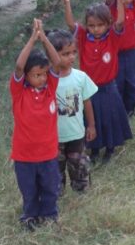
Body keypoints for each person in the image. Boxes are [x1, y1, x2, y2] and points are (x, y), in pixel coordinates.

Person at [57, 0, 132, 163]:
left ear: (107, 24)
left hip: (108, 87)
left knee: (109, 118)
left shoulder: (112, 37)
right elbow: (70, 24)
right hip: (88, 89)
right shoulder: (83, 37)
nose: (96, 29)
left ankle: (110, 148)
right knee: (92, 119)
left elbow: (120, 22)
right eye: (91, 25)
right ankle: (95, 149)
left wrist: (119, 1)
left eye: (100, 25)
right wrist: (67, 3)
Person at [10, 19, 60, 230]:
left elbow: (57, 63)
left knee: (50, 187)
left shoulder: (50, 88)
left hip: (48, 153)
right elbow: (20, 65)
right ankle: (29, 216)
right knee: (28, 189)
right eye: (36, 75)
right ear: (27, 77)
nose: (41, 79)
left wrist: (44, 38)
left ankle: (49, 214)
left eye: (44, 74)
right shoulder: (19, 93)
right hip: (24, 155)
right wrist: (32, 39)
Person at [41, 28, 97, 195]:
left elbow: (87, 102)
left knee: (79, 165)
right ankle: (57, 193)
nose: (72, 57)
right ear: (52, 55)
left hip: (76, 134)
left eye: (73, 52)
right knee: (55, 169)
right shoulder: (45, 81)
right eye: (65, 54)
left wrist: (91, 125)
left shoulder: (80, 77)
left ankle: (81, 190)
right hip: (53, 137)